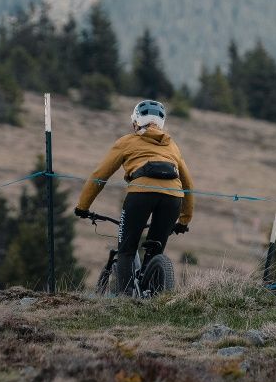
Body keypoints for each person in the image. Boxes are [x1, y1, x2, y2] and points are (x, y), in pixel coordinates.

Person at [74, 99, 194, 290]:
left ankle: (126, 297)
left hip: (140, 195)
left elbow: (99, 176)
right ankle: (153, 294)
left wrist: (83, 207)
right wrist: (184, 220)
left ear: (136, 122)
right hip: (173, 198)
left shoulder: (126, 142)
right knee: (156, 249)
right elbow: (187, 184)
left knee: (127, 250)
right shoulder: (172, 146)